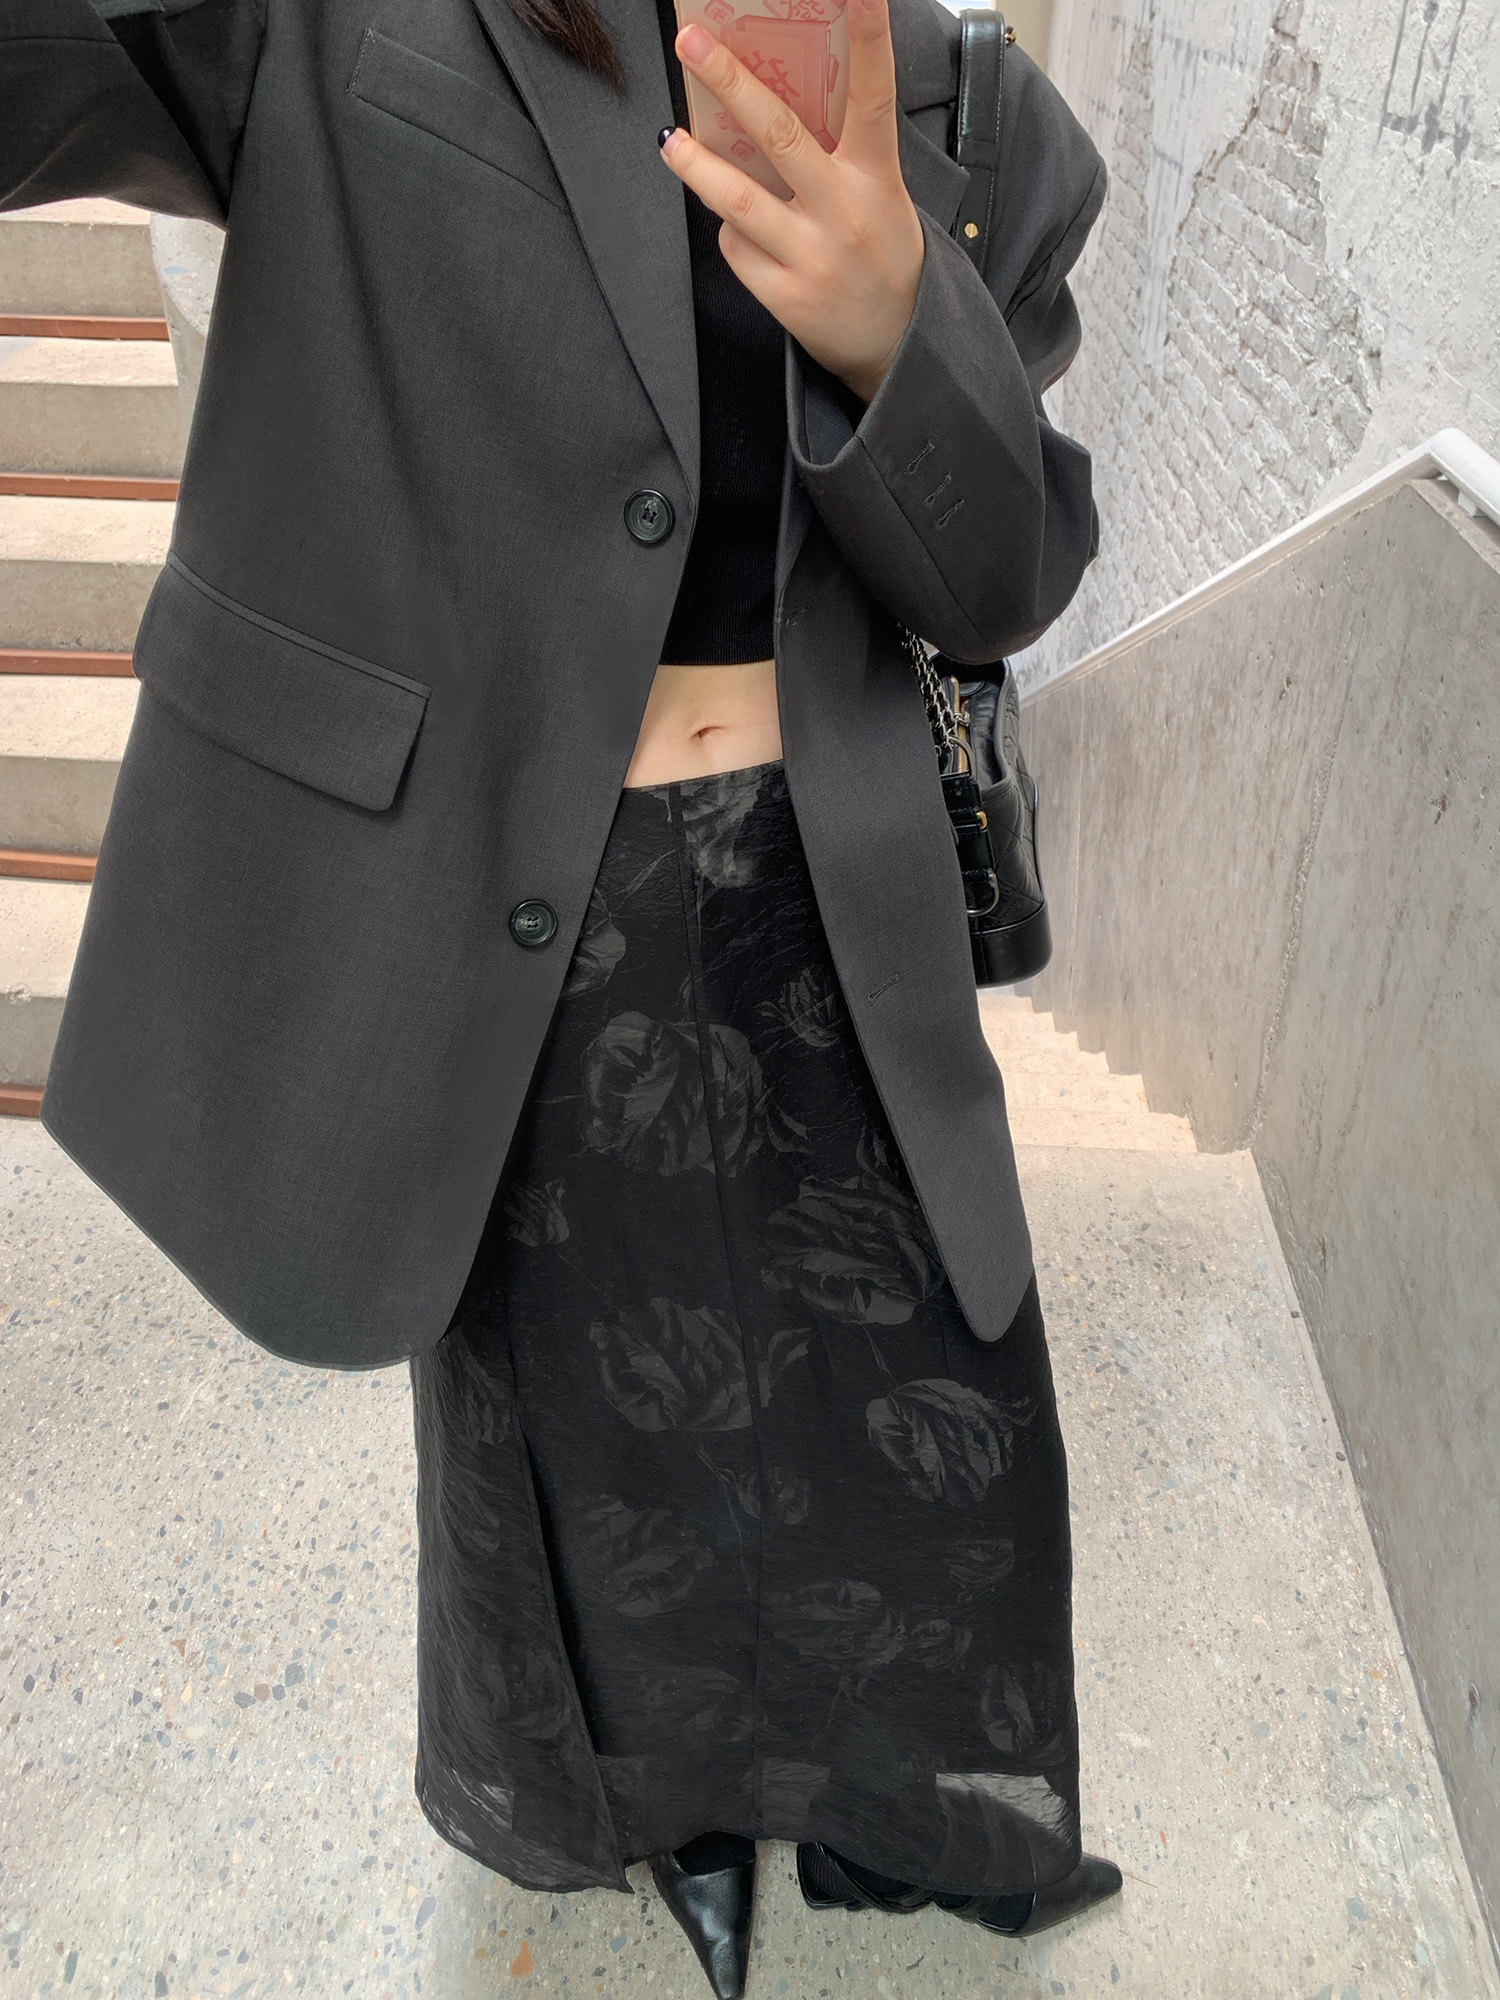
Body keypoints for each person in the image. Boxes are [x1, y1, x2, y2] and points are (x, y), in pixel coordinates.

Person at [4, 0, 1116, 1989]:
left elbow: (1008, 568)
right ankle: (667, 1809)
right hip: (521, 918)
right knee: (590, 1451)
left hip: (831, 916)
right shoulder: (339, 24)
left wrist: (895, 328)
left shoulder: (972, 111)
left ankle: (874, 1786)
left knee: (919, 1413)